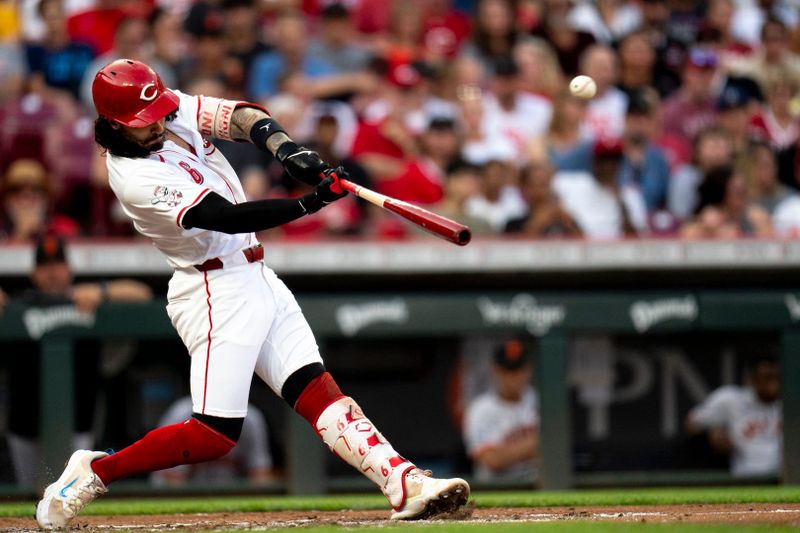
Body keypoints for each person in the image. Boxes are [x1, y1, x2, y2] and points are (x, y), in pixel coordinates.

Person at [35, 59, 469, 529]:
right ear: (114, 125)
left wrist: (285, 150)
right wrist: (309, 203)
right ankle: (96, 470)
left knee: (315, 389)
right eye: (145, 121)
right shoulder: (133, 176)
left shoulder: (165, 108)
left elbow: (241, 114)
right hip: (212, 287)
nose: (159, 120)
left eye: (160, 110)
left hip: (256, 273)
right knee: (214, 435)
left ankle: (401, 482)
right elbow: (226, 217)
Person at [5, 235, 153, 488]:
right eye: (45, 266)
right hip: (23, 426)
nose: (52, 272)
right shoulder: (18, 304)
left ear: (69, 269)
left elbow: (144, 294)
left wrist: (102, 291)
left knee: (70, 492)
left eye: (58, 264)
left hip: (78, 423)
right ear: (34, 273)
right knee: (28, 492)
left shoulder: (86, 298)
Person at [686, 357, 782, 478]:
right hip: (744, 478)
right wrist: (711, 433)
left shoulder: (792, 402)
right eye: (767, 377)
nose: (773, 383)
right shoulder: (732, 400)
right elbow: (692, 423)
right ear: (752, 379)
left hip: (787, 478)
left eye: (776, 377)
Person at [150, 396, 276, 486]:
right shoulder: (181, 414)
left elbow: (260, 474)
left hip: (230, 498)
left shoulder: (250, 418)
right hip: (177, 497)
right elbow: (173, 479)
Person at [462, 338, 539, 481]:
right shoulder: (480, 409)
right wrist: (537, 442)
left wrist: (508, 452)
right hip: (497, 486)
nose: (514, 377)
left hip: (537, 483)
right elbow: (492, 460)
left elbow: (557, 450)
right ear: (496, 371)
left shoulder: (541, 401)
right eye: (508, 370)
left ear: (528, 369)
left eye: (519, 370)